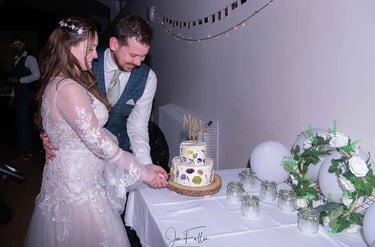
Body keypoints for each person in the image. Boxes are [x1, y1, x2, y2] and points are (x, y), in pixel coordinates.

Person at [24, 16, 168, 247]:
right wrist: (49, 133)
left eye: (144, 56)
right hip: (79, 173)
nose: (139, 62)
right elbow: (59, 109)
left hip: (116, 162)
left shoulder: (147, 78)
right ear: (113, 44)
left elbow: (138, 127)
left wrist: (144, 168)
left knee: (116, 224)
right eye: (133, 55)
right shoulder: (83, 67)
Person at [8, 36, 40, 160]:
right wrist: (12, 96)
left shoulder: (29, 58)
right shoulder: (15, 60)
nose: (16, 47)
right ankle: (25, 149)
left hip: (28, 94)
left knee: (25, 122)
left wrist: (20, 80)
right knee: (21, 122)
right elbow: (15, 81)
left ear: (24, 45)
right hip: (20, 94)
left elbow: (37, 75)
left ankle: (26, 151)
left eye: (19, 44)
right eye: (14, 45)